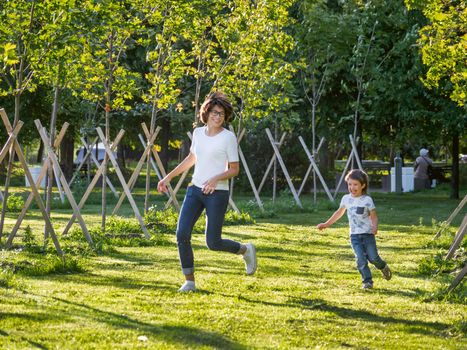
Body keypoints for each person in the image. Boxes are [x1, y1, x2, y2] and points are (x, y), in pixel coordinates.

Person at [157, 91, 257, 292]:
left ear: (225, 116)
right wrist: (169, 177)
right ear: (206, 112)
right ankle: (190, 281)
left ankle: (245, 250)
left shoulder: (228, 138)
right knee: (182, 234)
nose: (217, 116)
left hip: (217, 193)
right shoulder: (198, 134)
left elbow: (234, 169)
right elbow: (191, 159)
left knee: (213, 242)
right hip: (195, 190)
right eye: (214, 112)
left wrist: (215, 178)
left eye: (221, 114)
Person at [316, 169, 392, 289]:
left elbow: (374, 216)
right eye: (350, 184)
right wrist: (326, 224)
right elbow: (339, 213)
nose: (352, 187)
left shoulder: (367, 200)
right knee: (360, 259)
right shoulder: (346, 199)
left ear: (363, 185)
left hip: (367, 235)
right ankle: (367, 282)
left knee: (373, 258)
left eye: (355, 184)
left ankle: (383, 267)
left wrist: (375, 226)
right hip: (355, 236)